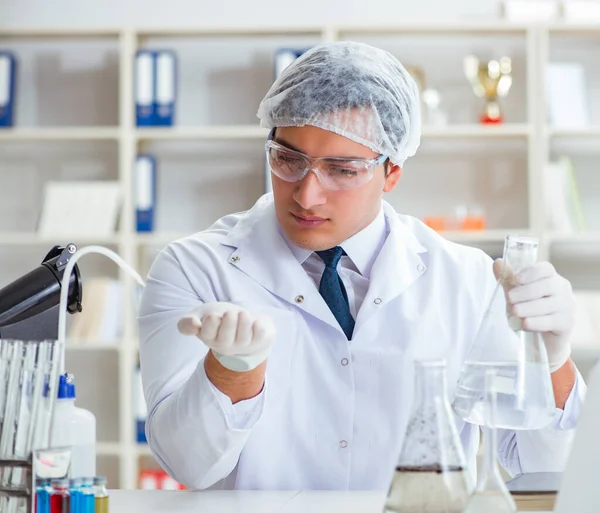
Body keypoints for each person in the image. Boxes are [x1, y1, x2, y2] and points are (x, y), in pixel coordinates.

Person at [138, 41, 585, 491]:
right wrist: (233, 370)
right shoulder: (194, 268)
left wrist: (553, 362)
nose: (306, 195)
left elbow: (543, 471)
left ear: (392, 171)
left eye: (343, 170)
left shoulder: (467, 280)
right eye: (288, 160)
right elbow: (186, 466)